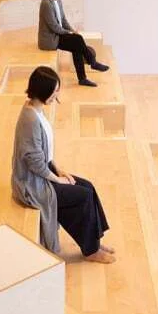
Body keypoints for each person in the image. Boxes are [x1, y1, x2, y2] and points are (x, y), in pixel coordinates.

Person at [11, 66, 115, 263]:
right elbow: (34, 162)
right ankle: (91, 250)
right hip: (32, 184)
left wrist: (59, 171)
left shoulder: (37, 110)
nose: (56, 95)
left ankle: (94, 242)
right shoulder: (30, 120)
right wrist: (57, 179)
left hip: (45, 172)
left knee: (87, 187)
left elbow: (45, 153)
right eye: (54, 91)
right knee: (82, 196)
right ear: (43, 90)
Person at [38, 0, 109, 87]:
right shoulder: (46, 3)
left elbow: (63, 19)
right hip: (50, 39)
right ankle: (92, 63)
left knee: (77, 43)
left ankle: (83, 77)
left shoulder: (58, 0)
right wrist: (69, 32)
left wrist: (72, 30)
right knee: (77, 41)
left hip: (58, 34)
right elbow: (53, 26)